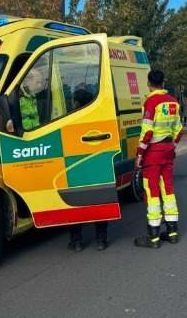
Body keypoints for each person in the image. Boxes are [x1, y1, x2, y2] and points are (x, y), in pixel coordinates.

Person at [134, 69, 183, 249]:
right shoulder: (173, 102)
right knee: (168, 190)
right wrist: (171, 146)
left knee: (152, 192)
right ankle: (172, 233)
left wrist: (139, 154)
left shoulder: (150, 102)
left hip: (153, 153)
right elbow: (179, 130)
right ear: (163, 82)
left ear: (149, 83)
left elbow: (147, 132)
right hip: (168, 150)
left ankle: (153, 237)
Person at [66, 88, 109, 251]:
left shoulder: (69, 119)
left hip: (76, 167)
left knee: (75, 203)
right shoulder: (100, 118)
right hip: (97, 165)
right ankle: (101, 240)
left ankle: (76, 242)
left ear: (76, 103)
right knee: (99, 202)